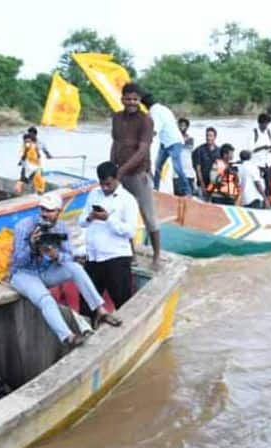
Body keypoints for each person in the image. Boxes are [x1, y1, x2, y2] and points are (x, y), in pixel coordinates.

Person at [9, 192, 121, 348]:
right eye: (42, 210)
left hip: (47, 270)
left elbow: (70, 256)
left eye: (49, 211)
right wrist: (31, 246)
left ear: (58, 212)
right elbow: (17, 262)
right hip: (25, 274)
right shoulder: (24, 226)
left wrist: (57, 256)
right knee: (46, 300)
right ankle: (68, 337)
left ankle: (100, 311)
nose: (45, 214)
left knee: (75, 268)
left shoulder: (61, 228)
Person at [110, 82, 161, 269]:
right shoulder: (116, 117)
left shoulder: (146, 120)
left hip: (139, 175)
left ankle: (156, 256)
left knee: (149, 216)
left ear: (139, 100)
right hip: (120, 174)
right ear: (122, 99)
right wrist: (111, 167)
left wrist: (120, 171)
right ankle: (131, 255)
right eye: (128, 98)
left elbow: (142, 151)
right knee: (123, 215)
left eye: (135, 99)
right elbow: (115, 144)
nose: (131, 102)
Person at [79, 161, 138, 309]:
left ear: (116, 179)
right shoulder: (94, 194)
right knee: (87, 303)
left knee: (122, 302)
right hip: (93, 256)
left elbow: (130, 231)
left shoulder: (127, 199)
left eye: (108, 184)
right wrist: (90, 217)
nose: (105, 188)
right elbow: (81, 222)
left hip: (116, 257)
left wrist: (108, 219)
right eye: (102, 184)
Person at [142, 93, 191, 196]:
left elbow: (155, 129)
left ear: (145, 105)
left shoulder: (154, 111)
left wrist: (145, 142)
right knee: (158, 166)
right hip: (165, 143)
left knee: (177, 167)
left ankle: (188, 191)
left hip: (174, 142)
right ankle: (155, 189)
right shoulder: (163, 108)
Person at [192, 127, 221, 201]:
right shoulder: (199, 150)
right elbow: (198, 169)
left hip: (215, 185)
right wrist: (202, 186)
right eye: (207, 135)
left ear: (215, 137)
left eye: (211, 136)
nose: (208, 138)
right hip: (202, 184)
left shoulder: (219, 151)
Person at [178, 118, 196, 196]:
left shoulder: (190, 139)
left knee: (189, 195)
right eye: (180, 125)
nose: (182, 127)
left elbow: (187, 144)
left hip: (189, 173)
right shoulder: (174, 138)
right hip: (177, 174)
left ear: (187, 127)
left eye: (184, 125)